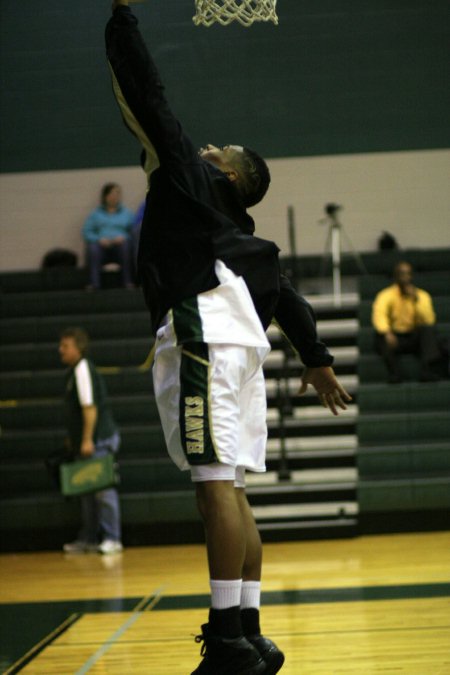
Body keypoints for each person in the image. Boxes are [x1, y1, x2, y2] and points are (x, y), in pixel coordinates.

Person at [106, 3, 351, 673]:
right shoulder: (239, 237)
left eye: (220, 152)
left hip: (201, 336)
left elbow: (145, 94)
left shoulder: (191, 179)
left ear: (232, 175)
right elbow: (290, 297)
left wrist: (122, 19)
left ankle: (228, 643)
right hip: (236, 345)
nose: (206, 147)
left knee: (214, 485)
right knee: (230, 487)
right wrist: (318, 358)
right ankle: (249, 629)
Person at [59, 327, 123, 554]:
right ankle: (88, 539)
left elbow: (89, 407)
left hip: (98, 440)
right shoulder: (74, 371)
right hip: (88, 441)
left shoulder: (83, 369)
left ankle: (113, 538)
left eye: (65, 346)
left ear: (79, 347)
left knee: (102, 490)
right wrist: (73, 439)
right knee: (86, 492)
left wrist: (87, 439)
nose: (60, 350)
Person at [372, 261, 442, 383]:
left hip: (413, 336)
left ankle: (427, 371)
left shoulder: (422, 295)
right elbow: (379, 315)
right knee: (381, 337)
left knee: (429, 331)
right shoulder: (386, 295)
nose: (405, 277)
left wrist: (416, 300)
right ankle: (394, 375)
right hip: (395, 336)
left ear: (412, 276)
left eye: (408, 274)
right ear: (396, 276)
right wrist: (387, 332)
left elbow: (429, 319)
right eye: (402, 274)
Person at [83, 182, 135, 289]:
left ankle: (128, 282)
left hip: (120, 245)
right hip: (102, 246)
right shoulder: (96, 214)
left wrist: (124, 237)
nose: (114, 197)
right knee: (93, 248)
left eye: (117, 194)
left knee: (126, 247)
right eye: (112, 194)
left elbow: (133, 232)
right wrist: (98, 239)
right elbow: (86, 231)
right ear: (105, 196)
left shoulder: (127, 213)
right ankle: (94, 284)